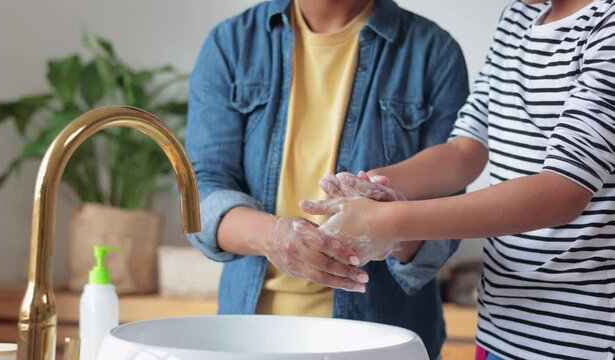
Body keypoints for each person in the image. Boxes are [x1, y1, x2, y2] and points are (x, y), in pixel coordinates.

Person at [302, 1, 615, 359]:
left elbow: (561, 192)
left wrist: (387, 221)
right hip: (501, 330)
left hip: (584, 340)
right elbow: (466, 150)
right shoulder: (518, 18)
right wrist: (375, 184)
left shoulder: (607, 24)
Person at [185, 0, 469, 357]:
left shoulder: (432, 52)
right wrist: (273, 237)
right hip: (249, 335)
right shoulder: (231, 44)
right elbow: (202, 190)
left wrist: (392, 227)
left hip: (379, 339)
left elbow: (447, 213)